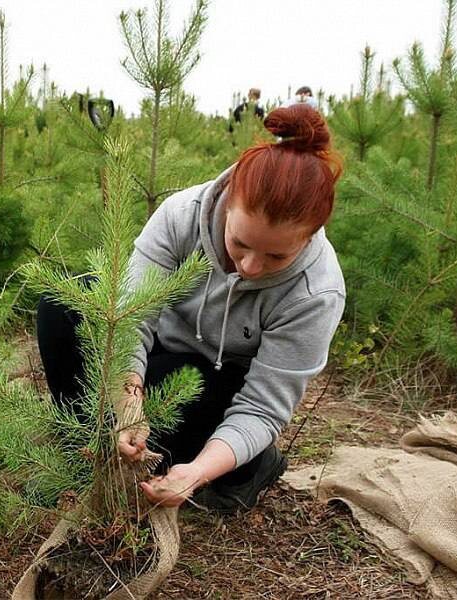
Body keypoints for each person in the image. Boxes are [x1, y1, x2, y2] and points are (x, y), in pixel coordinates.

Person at [38, 104, 344, 513]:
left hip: (218, 382)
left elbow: (262, 407)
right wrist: (128, 407)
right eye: (240, 243)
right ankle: (87, 454)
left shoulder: (316, 292)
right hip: (160, 347)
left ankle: (248, 466)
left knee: (182, 395)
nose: (250, 267)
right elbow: (131, 317)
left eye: (275, 257)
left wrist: (195, 474)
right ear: (229, 202)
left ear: (307, 239)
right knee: (65, 305)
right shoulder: (183, 215)